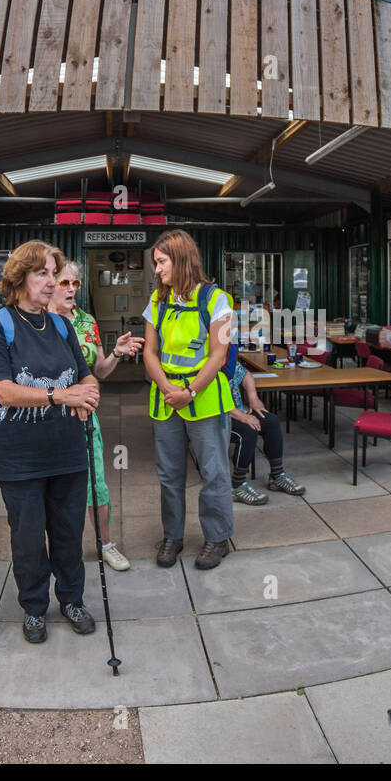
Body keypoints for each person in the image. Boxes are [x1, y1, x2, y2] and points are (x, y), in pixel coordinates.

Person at [0, 241, 101, 644]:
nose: (51, 282)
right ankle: (33, 607)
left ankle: (72, 599)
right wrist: (62, 397)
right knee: (28, 539)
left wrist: (89, 395)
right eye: (42, 273)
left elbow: (86, 374)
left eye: (53, 273)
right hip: (20, 457)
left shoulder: (62, 325)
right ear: (19, 278)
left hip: (67, 452)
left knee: (68, 532)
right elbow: (4, 392)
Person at [142, 229, 235, 570]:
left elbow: (218, 357)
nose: (157, 270)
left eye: (162, 262)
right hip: (166, 399)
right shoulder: (156, 301)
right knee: (169, 475)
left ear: (181, 260)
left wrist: (190, 391)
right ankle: (173, 536)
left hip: (205, 398)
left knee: (213, 472)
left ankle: (217, 538)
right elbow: (150, 353)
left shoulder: (217, 300)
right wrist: (169, 389)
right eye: (156, 263)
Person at [51, 259, 144, 569]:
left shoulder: (86, 321)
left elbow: (100, 370)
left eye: (75, 284)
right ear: (50, 284)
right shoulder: (37, 321)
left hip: (84, 417)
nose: (71, 289)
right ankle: (60, 551)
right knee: (54, 487)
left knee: (97, 484)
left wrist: (116, 352)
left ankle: (106, 544)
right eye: (65, 283)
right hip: (48, 417)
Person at [227, 356, 306, 504]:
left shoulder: (227, 357)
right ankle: (236, 486)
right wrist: (243, 417)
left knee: (271, 422)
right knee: (248, 430)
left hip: (237, 410)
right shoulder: (206, 361)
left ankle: (277, 476)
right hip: (217, 416)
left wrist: (253, 397)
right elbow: (214, 399)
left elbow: (245, 374)